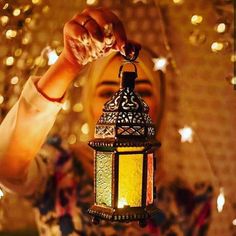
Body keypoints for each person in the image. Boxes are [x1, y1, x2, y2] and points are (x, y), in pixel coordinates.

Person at [0, 7, 212, 236]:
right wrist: (69, 63)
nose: (122, 104)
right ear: (90, 101)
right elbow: (5, 165)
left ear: (159, 104)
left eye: (143, 91)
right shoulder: (59, 169)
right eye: (106, 92)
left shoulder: (186, 202)